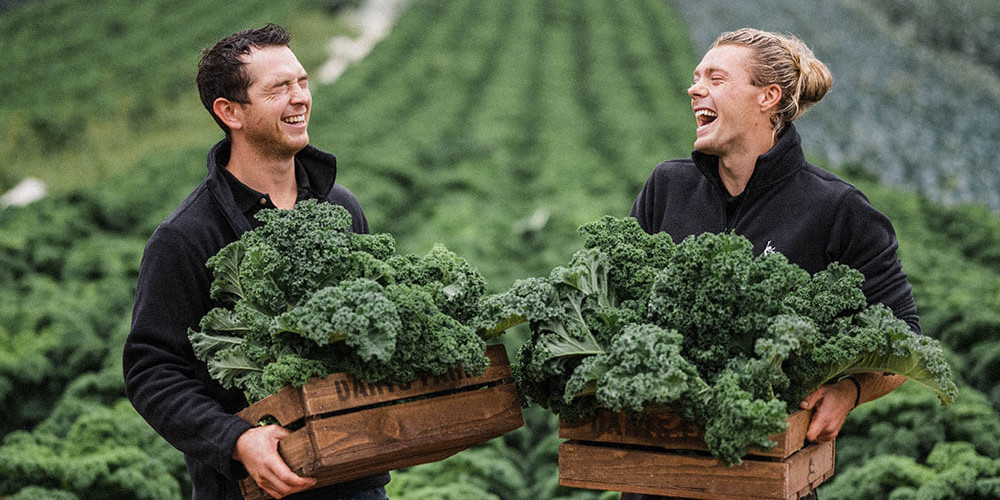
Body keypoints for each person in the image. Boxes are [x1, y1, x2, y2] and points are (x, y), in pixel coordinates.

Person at [625, 28, 916, 499]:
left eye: (715, 78)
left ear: (768, 97)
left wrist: (849, 392)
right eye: (696, 77)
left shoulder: (838, 209)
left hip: (766, 478)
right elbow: (621, 309)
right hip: (656, 475)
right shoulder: (667, 187)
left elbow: (905, 342)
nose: (695, 88)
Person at [123, 24, 390, 500]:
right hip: (254, 490)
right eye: (279, 89)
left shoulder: (341, 206)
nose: (300, 98)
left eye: (302, 82)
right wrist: (237, 440)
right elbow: (153, 371)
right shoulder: (185, 236)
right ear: (230, 112)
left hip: (355, 480)